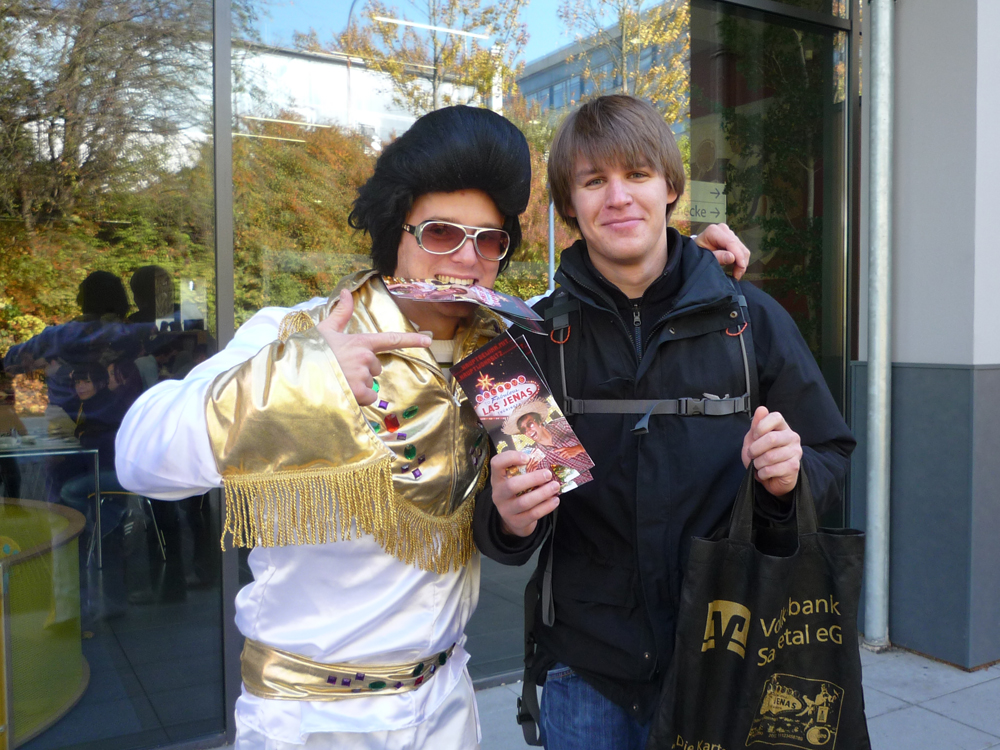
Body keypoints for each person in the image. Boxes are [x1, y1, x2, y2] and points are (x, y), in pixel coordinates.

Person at [114, 104, 750, 749]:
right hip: (312, 716)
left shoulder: (509, 343)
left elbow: (602, 294)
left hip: (447, 702)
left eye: (488, 240)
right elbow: (139, 456)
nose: (465, 259)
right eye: (441, 233)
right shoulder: (300, 331)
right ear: (396, 229)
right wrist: (302, 379)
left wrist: (674, 263)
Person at [473, 95, 855, 750]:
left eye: (637, 174)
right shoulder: (534, 342)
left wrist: (791, 479)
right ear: (570, 205)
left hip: (727, 656)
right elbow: (506, 529)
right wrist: (508, 518)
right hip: (585, 674)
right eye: (594, 181)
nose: (618, 197)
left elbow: (832, 457)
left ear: (671, 187)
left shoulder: (747, 321)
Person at [500, 401, 593, 484]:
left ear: (539, 421)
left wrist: (579, 448)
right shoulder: (538, 456)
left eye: (529, 424)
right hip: (587, 481)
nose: (528, 431)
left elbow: (594, 434)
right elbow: (553, 483)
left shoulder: (561, 424)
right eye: (523, 430)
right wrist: (534, 477)